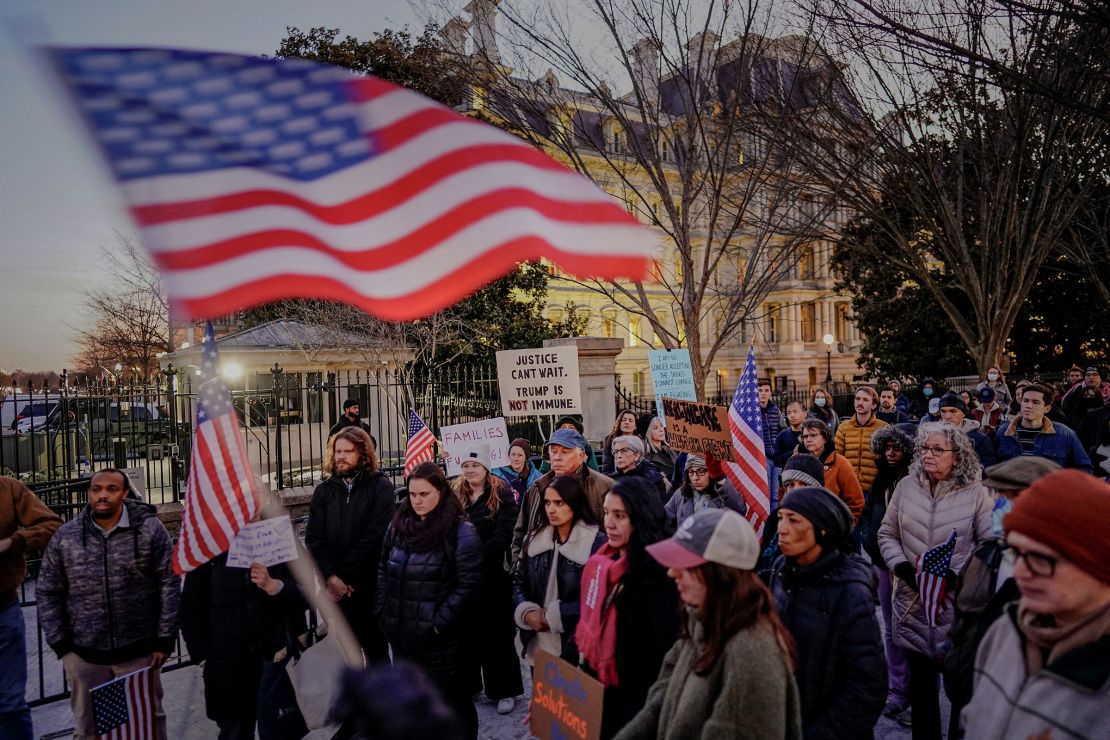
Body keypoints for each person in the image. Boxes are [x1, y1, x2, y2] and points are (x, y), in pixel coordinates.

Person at [612, 508, 803, 739]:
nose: (672, 572)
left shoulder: (754, 654)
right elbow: (660, 701)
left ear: (720, 573)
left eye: (686, 564)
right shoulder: (698, 622)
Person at [961, 470, 1110, 740]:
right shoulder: (1008, 628)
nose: (1019, 573)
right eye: (1016, 553)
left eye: (1041, 559)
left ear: (1098, 566)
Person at [37, 469, 180, 740]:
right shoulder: (67, 536)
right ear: (89, 493)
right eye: (96, 489)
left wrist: (164, 638)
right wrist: (63, 646)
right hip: (85, 656)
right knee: (89, 728)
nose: (103, 495)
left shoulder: (149, 530)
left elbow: (169, 583)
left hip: (139, 652)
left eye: (112, 489)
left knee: (146, 725)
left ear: (125, 493)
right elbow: (47, 591)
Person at [877, 423, 993, 740]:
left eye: (937, 449)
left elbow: (988, 546)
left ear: (957, 457)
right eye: (925, 448)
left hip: (954, 607)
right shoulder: (906, 487)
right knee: (922, 694)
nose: (928, 454)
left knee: (959, 695)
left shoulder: (976, 493)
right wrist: (901, 567)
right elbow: (887, 533)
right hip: (912, 603)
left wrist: (957, 576)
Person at [942, 457, 1061, 731]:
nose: (1000, 507)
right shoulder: (987, 553)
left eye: (1013, 498)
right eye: (998, 496)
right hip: (969, 691)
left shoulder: (1063, 576)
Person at [376, 462, 483, 740]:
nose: (417, 500)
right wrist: (383, 612)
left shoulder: (461, 532)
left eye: (424, 494)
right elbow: (383, 570)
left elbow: (469, 585)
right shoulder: (398, 526)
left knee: (453, 706)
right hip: (402, 638)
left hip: (441, 644)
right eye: (412, 494)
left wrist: (438, 624)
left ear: (441, 492)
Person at [771, 487, 886, 738]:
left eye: (794, 520)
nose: (782, 528)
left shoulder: (851, 593)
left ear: (822, 529)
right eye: (781, 518)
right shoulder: (781, 570)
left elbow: (867, 688)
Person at [577, 478, 679, 739]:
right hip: (598, 694)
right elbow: (584, 632)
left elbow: (660, 657)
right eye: (606, 512)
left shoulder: (665, 575)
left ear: (642, 516)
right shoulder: (601, 563)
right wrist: (555, 695)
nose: (608, 523)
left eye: (620, 515)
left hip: (638, 707)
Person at [180, 551, 309, 740]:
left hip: (275, 661)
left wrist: (274, 586)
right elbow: (190, 607)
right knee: (235, 731)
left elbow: (304, 593)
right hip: (227, 669)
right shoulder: (210, 545)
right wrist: (203, 657)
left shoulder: (276, 537)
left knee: (280, 730)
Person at [305, 427, 396, 661]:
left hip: (369, 586)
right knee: (345, 657)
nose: (341, 456)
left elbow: (376, 536)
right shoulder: (323, 492)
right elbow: (314, 539)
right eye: (337, 451)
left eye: (348, 451)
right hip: (334, 591)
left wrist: (344, 577)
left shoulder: (381, 487)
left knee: (375, 650)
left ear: (363, 454)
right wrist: (330, 577)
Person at [450, 444, 523, 715]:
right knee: (467, 632)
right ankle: (471, 685)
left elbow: (506, 531)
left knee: (498, 633)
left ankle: (505, 690)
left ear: (485, 468)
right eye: (466, 466)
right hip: (463, 576)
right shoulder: (456, 492)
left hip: (493, 574)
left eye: (475, 465)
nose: (470, 470)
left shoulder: (501, 491)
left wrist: (477, 555)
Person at [513, 475, 605, 666]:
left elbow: (598, 599)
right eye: (547, 503)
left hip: (576, 645)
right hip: (539, 643)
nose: (551, 509)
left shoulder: (595, 542)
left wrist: (556, 616)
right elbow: (519, 582)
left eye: (559, 503)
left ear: (574, 503)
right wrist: (526, 612)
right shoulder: (535, 539)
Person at [859, 424, 914, 723]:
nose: (892, 453)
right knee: (891, 629)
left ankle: (917, 691)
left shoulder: (916, 480)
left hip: (909, 567)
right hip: (882, 564)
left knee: (913, 628)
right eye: (887, 448)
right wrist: (870, 539)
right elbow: (867, 514)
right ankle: (897, 690)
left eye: (897, 448)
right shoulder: (880, 480)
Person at [0, 476, 62, 740]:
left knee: (10, 703)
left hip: (2, 611)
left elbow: (52, 525)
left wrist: (16, 541)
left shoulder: (7, 489)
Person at [511, 427, 613, 566]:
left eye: (565, 452)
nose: (557, 457)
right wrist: (518, 569)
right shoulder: (538, 487)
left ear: (581, 456)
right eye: (553, 451)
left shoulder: (604, 487)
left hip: (587, 570)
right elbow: (521, 533)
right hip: (542, 572)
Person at [995, 382, 1092, 472]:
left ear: (1047, 408)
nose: (1028, 405)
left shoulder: (1065, 435)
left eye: (1035, 402)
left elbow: (1085, 469)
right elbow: (994, 466)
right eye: (1026, 401)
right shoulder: (1004, 432)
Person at [798, 419, 864, 522]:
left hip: (831, 526)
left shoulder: (841, 463)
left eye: (813, 435)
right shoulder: (796, 460)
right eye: (805, 436)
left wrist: (843, 526)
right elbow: (783, 492)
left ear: (824, 438)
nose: (808, 439)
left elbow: (856, 502)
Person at [664, 454, 747, 529]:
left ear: (711, 472)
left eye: (701, 471)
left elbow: (739, 511)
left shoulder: (725, 494)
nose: (695, 478)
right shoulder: (680, 494)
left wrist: (720, 478)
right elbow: (665, 521)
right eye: (691, 472)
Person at [834, 386, 888, 494]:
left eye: (865, 400)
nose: (860, 402)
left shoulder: (883, 428)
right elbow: (837, 457)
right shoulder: (843, 428)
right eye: (857, 399)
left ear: (873, 405)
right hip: (849, 487)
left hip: (874, 489)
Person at [937, 392, 996, 468]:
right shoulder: (934, 436)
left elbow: (987, 468)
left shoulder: (980, 439)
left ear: (963, 413)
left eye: (953, 411)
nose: (947, 416)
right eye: (943, 411)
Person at [608, 434, 669, 501]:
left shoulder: (653, 479)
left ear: (637, 455)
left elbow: (656, 508)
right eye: (616, 451)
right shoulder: (610, 480)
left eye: (624, 450)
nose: (618, 456)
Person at [492, 437, 541, 505]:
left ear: (526, 458)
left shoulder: (536, 476)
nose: (516, 458)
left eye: (520, 455)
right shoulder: (496, 474)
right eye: (513, 454)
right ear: (509, 455)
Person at [758, 379, 786, 498]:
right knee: (766, 493)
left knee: (775, 494)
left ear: (770, 393)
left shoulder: (775, 410)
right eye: (760, 390)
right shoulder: (753, 412)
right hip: (762, 458)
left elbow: (783, 429)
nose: (763, 393)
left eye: (766, 390)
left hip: (776, 457)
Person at [642, 416, 679, 483]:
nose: (661, 430)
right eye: (655, 428)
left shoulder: (673, 450)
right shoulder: (647, 457)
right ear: (648, 433)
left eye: (661, 426)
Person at [602, 409, 639, 474]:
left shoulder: (640, 443)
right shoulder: (610, 441)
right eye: (624, 420)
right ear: (619, 423)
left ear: (635, 426)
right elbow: (607, 469)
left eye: (630, 420)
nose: (627, 422)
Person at [773, 400, 807, 468]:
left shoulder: (811, 434)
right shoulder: (781, 436)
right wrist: (792, 452)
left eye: (795, 412)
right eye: (789, 413)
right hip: (788, 475)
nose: (792, 415)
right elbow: (776, 461)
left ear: (805, 413)